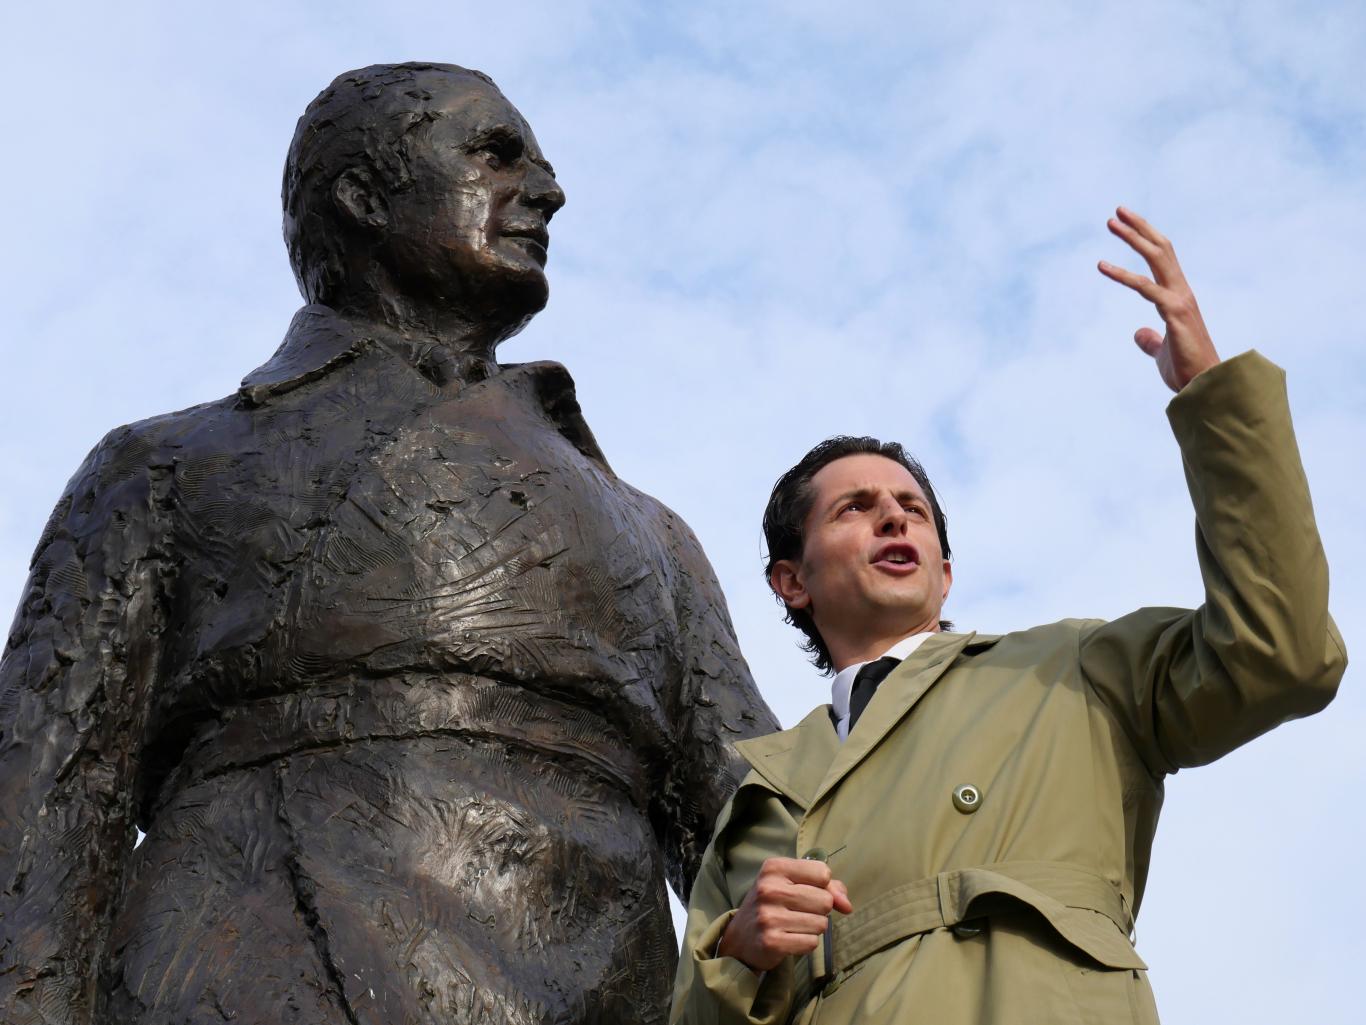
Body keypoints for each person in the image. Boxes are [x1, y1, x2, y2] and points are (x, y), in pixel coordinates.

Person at [0, 63, 777, 1025]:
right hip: (249, 972)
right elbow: (43, 817)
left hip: (604, 985)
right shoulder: (165, 465)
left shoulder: (648, 529)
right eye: (494, 154)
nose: (547, 187)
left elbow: (761, 828)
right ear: (365, 197)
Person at [670, 208, 1347, 1025]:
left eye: (912, 507)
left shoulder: (1071, 669)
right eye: (856, 506)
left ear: (945, 573)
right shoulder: (759, 800)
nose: (894, 518)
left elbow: (1285, 653)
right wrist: (741, 951)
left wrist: (1215, 400)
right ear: (791, 580)